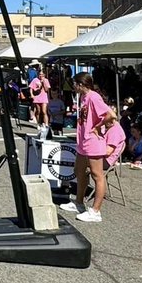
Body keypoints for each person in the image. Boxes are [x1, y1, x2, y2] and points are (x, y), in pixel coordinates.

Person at [61, 72, 112, 223]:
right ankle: (79, 203)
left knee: (97, 175)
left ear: (81, 84)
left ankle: (96, 211)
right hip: (83, 141)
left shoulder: (94, 97)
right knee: (79, 171)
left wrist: (97, 127)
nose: (74, 87)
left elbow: (111, 115)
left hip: (93, 141)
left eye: (75, 84)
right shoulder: (83, 97)